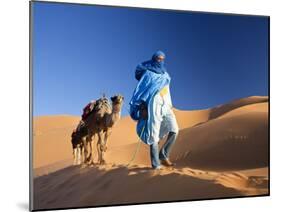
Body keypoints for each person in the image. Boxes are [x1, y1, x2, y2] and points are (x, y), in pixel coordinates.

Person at [129, 50, 179, 170]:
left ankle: (163, 155)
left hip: (166, 104)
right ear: (154, 59)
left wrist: (170, 104)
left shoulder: (166, 75)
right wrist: (142, 106)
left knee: (175, 130)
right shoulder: (148, 74)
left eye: (162, 59)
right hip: (153, 104)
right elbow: (141, 90)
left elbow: (167, 90)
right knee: (153, 134)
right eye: (158, 58)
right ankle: (156, 164)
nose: (160, 61)